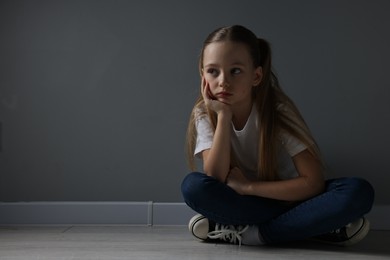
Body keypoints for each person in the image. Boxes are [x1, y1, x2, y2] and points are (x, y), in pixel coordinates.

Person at [181, 25, 374, 246]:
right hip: (244, 204)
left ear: (256, 76)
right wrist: (224, 117)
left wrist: (248, 187)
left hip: (290, 200)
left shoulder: (276, 111)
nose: (223, 81)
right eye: (213, 71)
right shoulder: (205, 112)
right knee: (193, 187)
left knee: (357, 191)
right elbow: (215, 177)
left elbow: (313, 183)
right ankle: (311, 228)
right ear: (203, 74)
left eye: (235, 71)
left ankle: (254, 234)